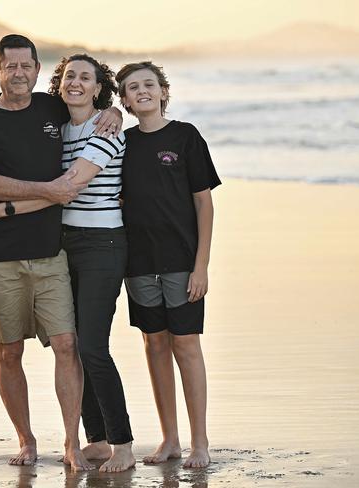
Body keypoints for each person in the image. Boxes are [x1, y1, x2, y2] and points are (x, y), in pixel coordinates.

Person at [0, 35, 122, 472]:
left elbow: (89, 104)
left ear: (36, 69)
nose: (18, 73)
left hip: (52, 253)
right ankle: (27, 439)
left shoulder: (52, 109)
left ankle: (72, 443)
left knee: (67, 345)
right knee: (10, 352)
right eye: (9, 66)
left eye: (25, 66)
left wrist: (114, 110)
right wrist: (50, 190)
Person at [116, 61, 221, 469]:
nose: (141, 91)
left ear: (162, 91)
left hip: (182, 263)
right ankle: (170, 440)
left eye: (148, 84)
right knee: (154, 344)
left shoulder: (185, 136)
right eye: (132, 88)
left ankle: (200, 442)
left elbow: (204, 203)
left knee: (186, 345)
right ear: (124, 99)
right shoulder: (121, 144)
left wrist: (202, 266)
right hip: (139, 264)